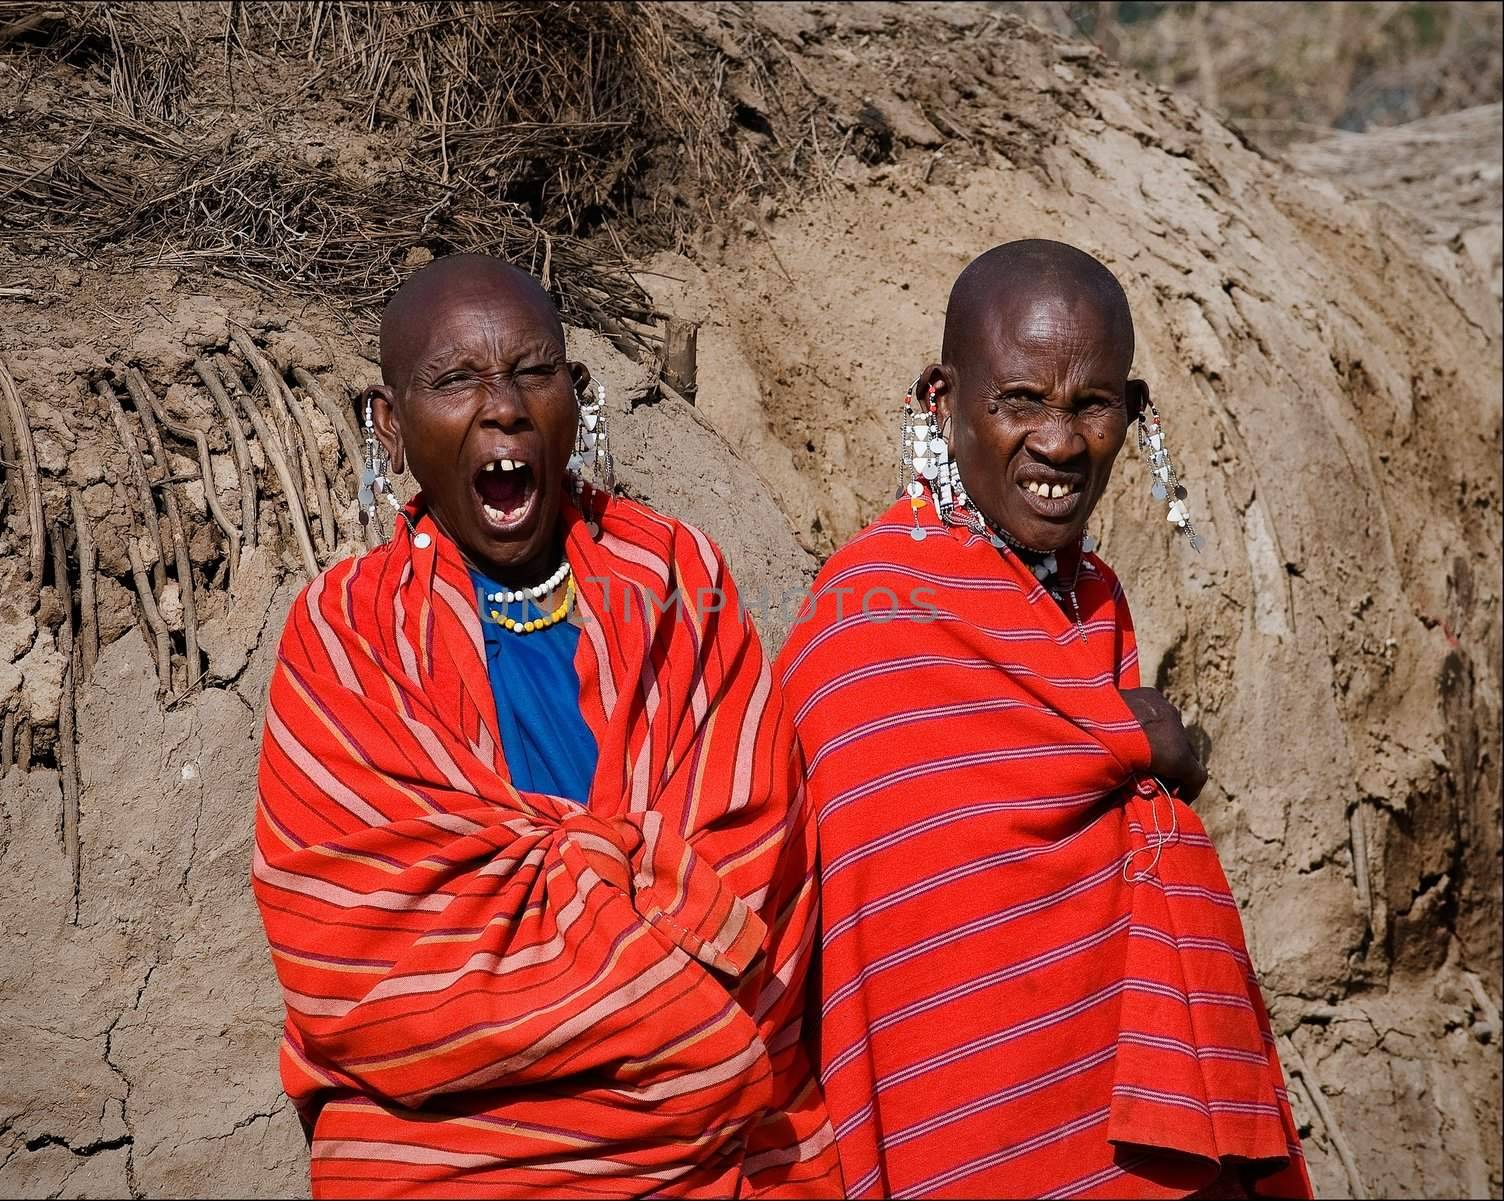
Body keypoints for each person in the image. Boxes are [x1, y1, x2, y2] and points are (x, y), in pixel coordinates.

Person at [252, 255, 840, 1199]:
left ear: (578, 395)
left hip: (708, 1140)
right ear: (389, 425)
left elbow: (752, 864)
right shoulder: (346, 636)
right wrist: (625, 905)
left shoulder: (677, 584)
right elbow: (358, 952)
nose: (504, 409)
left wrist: (554, 915)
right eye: (454, 380)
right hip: (443, 1155)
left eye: (535, 371)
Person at [775, 240, 1312, 1199]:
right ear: (941, 399)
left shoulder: (1095, 596)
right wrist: (1140, 740)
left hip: (1123, 1110)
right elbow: (875, 920)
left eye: (1091, 405)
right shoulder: (867, 619)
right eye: (1020, 400)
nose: (1059, 443)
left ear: (1133, 414)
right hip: (957, 1114)